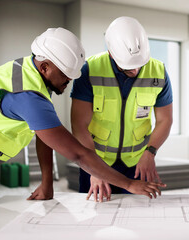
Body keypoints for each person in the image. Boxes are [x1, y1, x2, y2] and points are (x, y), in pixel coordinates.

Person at [0, 27, 165, 228]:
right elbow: (79, 154)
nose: (69, 81)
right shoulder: (28, 96)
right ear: (45, 66)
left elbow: (44, 135)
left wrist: (47, 182)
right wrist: (129, 184)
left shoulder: (31, 74)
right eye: (66, 75)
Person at [71, 16, 173, 202]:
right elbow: (79, 124)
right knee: (92, 220)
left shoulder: (159, 72)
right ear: (111, 53)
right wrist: (94, 168)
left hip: (138, 162)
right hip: (95, 159)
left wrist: (150, 152)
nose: (135, 72)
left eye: (139, 65)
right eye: (128, 68)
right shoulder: (90, 70)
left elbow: (165, 119)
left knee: (139, 217)